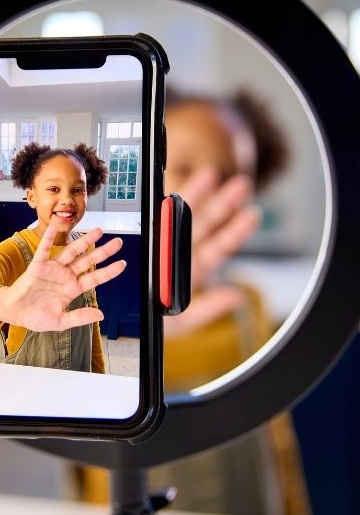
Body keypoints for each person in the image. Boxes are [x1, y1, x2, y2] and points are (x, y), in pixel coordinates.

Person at [74, 89, 312, 515]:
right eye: (181, 167)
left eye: (229, 178)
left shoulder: (245, 303)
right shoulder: (92, 304)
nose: (202, 194)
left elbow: (277, 444)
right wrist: (140, 327)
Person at [0, 142, 125, 373]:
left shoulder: (85, 246)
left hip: (78, 383)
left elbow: (90, 319)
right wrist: (7, 303)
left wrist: (99, 376)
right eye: (54, 189)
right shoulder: (13, 251)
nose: (67, 200)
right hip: (22, 394)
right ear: (32, 197)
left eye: (78, 189)